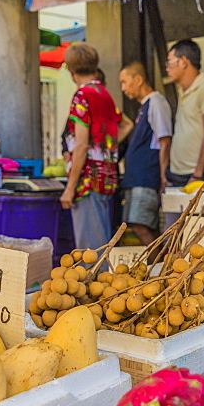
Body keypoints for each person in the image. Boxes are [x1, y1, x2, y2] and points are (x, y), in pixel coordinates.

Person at [60, 44, 120, 251]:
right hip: (106, 178)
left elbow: (82, 144)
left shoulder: (82, 96)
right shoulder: (105, 95)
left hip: (87, 180)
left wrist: (69, 188)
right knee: (101, 244)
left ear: (70, 70)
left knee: (90, 253)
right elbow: (121, 125)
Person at [118, 61, 173, 244]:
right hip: (136, 178)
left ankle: (160, 267)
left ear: (139, 79)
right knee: (140, 226)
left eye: (125, 82)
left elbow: (165, 141)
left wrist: (164, 177)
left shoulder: (156, 102)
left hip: (147, 177)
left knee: (141, 225)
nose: (123, 88)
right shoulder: (144, 105)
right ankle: (159, 267)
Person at [165, 39, 204, 186]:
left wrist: (198, 174)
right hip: (178, 174)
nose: (167, 69)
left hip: (198, 175)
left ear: (184, 62)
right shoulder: (183, 91)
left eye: (170, 63)